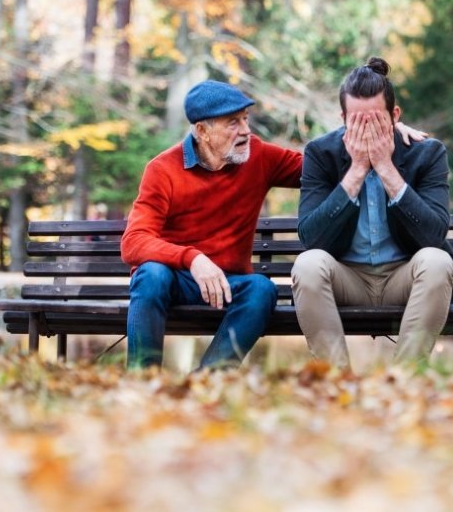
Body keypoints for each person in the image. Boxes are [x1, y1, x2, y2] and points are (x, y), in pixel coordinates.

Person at [121, 78, 426, 370]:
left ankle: (209, 380)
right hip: (178, 280)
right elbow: (133, 242)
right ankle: (142, 380)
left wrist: (381, 129)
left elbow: (324, 165)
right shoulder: (162, 169)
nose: (245, 130)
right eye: (233, 123)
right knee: (151, 274)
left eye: (245, 119)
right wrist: (193, 259)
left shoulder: (258, 156)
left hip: (229, 285)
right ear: (202, 130)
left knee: (262, 289)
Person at [292, 57, 453, 369]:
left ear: (395, 115)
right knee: (307, 264)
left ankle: (403, 381)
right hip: (347, 278)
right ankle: (337, 383)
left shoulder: (426, 153)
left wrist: (386, 169)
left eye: (375, 121)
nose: (367, 131)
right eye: (357, 123)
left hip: (404, 275)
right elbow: (311, 237)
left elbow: (433, 233)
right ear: (342, 118)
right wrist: (356, 170)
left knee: (438, 260)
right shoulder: (321, 154)